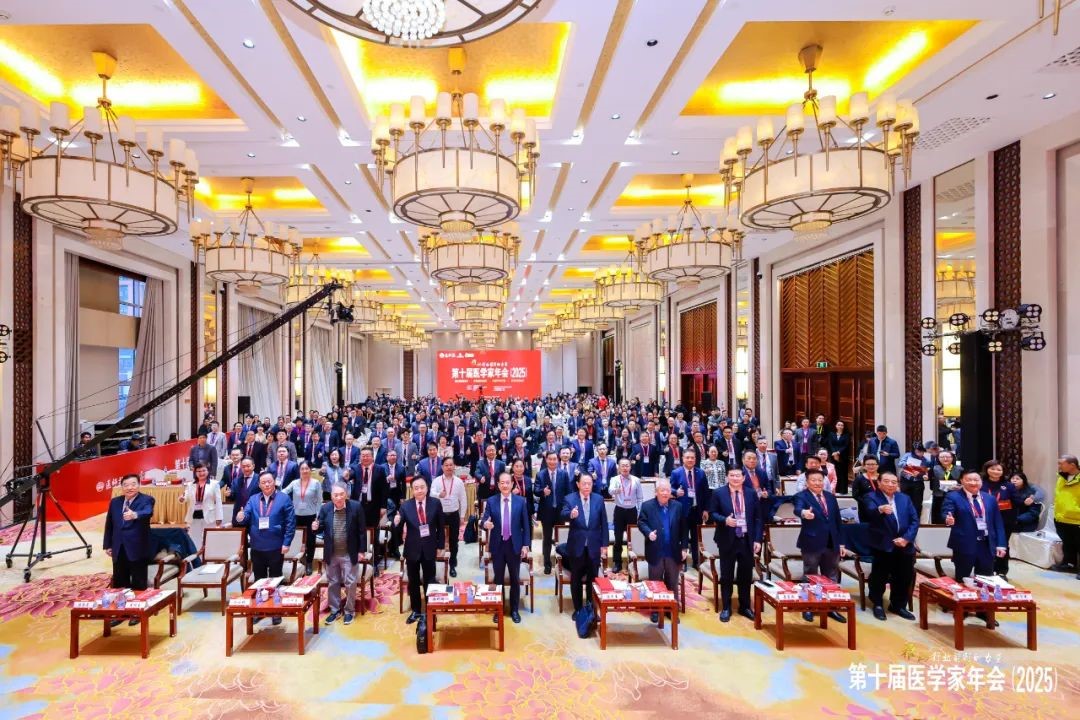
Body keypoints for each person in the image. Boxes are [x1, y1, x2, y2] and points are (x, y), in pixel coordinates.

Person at [236, 473, 297, 626]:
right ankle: (260, 610)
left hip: (276, 545)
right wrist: (241, 517)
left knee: (276, 579)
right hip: (257, 545)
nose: (267, 485)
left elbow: (290, 523)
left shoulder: (284, 498)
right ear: (259, 485)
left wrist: (287, 542)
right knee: (259, 580)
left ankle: (276, 611)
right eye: (263, 482)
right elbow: (246, 516)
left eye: (269, 482)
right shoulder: (253, 499)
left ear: (274, 482)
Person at [708, 468, 762, 622]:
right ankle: (726, 607)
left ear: (743, 478)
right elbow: (712, 513)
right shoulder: (718, 493)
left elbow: (758, 518)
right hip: (727, 539)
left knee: (745, 575)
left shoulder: (751, 493)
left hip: (746, 539)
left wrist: (757, 539)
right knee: (727, 575)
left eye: (738, 475)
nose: (735, 478)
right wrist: (725, 520)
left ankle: (745, 606)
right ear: (727, 477)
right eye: (731, 475)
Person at [793, 469, 847, 623]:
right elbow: (798, 509)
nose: (817, 483)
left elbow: (837, 521)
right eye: (813, 480)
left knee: (831, 576)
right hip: (812, 543)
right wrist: (804, 513)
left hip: (832, 542)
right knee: (810, 575)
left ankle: (831, 607)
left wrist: (841, 543)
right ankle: (808, 607)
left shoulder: (830, 497)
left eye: (820, 480)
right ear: (807, 482)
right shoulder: (801, 496)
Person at [863, 473, 918, 621]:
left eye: (894, 482)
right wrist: (880, 509)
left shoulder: (904, 498)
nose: (890, 484)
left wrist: (906, 539)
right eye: (886, 481)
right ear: (879, 483)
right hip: (883, 544)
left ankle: (898, 605)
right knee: (879, 576)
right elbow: (869, 511)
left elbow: (914, 520)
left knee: (904, 576)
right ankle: (877, 604)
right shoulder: (871, 497)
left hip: (904, 544)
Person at [103, 474, 155, 625]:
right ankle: (121, 613)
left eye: (133, 484)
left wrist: (135, 515)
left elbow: (148, 512)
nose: (130, 488)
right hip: (119, 547)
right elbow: (109, 524)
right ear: (122, 487)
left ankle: (137, 613)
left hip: (138, 547)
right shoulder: (115, 502)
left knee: (138, 582)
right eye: (126, 485)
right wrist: (108, 545)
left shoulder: (146, 500)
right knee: (120, 582)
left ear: (138, 485)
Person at [312, 483, 366, 625]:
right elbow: (320, 528)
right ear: (331, 496)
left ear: (346, 494)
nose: (339, 498)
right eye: (336, 495)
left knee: (350, 582)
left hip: (349, 552)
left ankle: (349, 611)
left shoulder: (356, 507)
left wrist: (361, 551)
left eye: (341, 494)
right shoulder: (326, 508)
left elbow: (362, 531)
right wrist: (315, 527)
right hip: (332, 553)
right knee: (333, 582)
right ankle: (335, 610)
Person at [480, 472, 530, 623]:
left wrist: (526, 545)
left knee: (515, 579)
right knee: (498, 579)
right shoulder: (491, 501)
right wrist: (485, 524)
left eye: (507, 482)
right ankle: (499, 609)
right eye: (502, 482)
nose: (505, 485)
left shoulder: (521, 501)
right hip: (498, 545)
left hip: (515, 545)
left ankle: (514, 610)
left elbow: (526, 525)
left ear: (512, 484)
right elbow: (483, 520)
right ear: (498, 484)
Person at [637, 478, 688, 623]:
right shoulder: (647, 506)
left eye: (668, 490)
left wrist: (684, 547)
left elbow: (684, 528)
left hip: (673, 551)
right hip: (655, 550)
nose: (665, 493)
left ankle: (671, 610)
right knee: (655, 582)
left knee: (672, 583)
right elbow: (641, 522)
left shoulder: (677, 506)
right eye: (662, 490)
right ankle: (655, 610)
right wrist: (648, 533)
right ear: (656, 492)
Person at [942, 471, 1007, 583]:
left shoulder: (990, 498)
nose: (973, 483)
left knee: (986, 580)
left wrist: (1001, 544)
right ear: (962, 481)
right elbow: (946, 512)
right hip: (964, 544)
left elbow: (998, 523)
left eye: (976, 480)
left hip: (986, 544)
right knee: (963, 579)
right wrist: (948, 519)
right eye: (969, 480)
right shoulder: (953, 496)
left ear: (981, 481)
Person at [396, 476, 444, 624]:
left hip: (430, 547)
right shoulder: (406, 506)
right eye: (416, 488)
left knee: (430, 579)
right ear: (412, 490)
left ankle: (430, 608)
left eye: (422, 487)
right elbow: (398, 528)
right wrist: (396, 523)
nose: (419, 490)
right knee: (414, 581)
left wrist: (440, 546)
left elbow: (441, 527)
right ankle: (416, 610)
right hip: (412, 549)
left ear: (427, 488)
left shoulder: (435, 503)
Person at [561, 474, 609, 620]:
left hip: (594, 546)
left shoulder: (599, 499)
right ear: (578, 484)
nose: (587, 486)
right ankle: (578, 609)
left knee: (592, 580)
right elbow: (562, 514)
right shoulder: (570, 498)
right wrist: (571, 514)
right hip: (577, 546)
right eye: (584, 483)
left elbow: (604, 523)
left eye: (589, 483)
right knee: (576, 579)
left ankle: (590, 608)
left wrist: (604, 545)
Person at [669, 448, 710, 569]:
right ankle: (682, 562)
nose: (690, 460)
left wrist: (706, 509)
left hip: (697, 510)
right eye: (687, 457)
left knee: (696, 537)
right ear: (683, 459)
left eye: (692, 458)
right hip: (682, 510)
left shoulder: (701, 473)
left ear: (695, 459)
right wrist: (676, 492)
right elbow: (670, 488)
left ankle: (696, 561)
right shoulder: (676, 473)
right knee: (682, 537)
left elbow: (706, 492)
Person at [534, 450, 571, 574]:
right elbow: (536, 490)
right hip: (546, 512)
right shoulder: (540, 474)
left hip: (560, 512)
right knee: (547, 539)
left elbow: (568, 492)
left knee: (562, 538)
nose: (552, 461)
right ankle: (547, 564)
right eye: (550, 459)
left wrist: (567, 508)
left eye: (554, 459)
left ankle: (562, 562)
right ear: (546, 460)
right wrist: (542, 492)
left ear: (558, 460)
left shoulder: (564, 474)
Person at [282, 461, 322, 573]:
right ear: (299, 471)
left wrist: (317, 517)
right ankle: (298, 559)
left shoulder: (316, 483)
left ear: (310, 470)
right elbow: (284, 492)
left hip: (311, 516)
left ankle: (309, 562)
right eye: (302, 469)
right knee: (296, 539)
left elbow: (319, 501)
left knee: (310, 541)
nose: (304, 471)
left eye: (306, 468)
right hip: (296, 516)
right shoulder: (294, 483)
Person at [431, 456, 467, 577]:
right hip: (440, 515)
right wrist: (438, 495)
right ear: (442, 467)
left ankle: (452, 565)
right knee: (439, 539)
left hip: (453, 514)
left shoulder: (459, 482)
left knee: (453, 541)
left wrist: (462, 516)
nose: (449, 467)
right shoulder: (436, 481)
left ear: (454, 466)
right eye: (446, 465)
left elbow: (463, 499)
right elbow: (431, 494)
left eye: (451, 465)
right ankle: (439, 563)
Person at [979, 459, 1015, 578]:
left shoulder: (1008, 485)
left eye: (999, 469)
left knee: (1002, 544)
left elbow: (1016, 501)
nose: (995, 471)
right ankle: (986, 569)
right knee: (985, 543)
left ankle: (1001, 571)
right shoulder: (981, 484)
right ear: (986, 469)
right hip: (984, 518)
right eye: (992, 469)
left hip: (1005, 520)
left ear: (1003, 471)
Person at [608, 458, 643, 574]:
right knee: (618, 538)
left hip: (632, 511)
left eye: (627, 465)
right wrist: (615, 490)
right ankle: (617, 562)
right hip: (619, 511)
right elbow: (610, 491)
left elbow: (640, 498)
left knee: (631, 539)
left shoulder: (636, 480)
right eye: (622, 466)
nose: (625, 468)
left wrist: (639, 512)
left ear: (630, 467)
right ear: (619, 467)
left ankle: (631, 561)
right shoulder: (614, 479)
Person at [179, 462, 223, 546]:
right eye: (199, 471)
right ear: (195, 473)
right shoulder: (190, 485)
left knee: (209, 539)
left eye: (203, 470)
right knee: (194, 538)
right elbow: (185, 496)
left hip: (209, 515)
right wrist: (182, 499)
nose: (201, 473)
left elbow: (218, 502)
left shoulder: (214, 484)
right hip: (194, 514)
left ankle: (209, 554)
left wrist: (219, 517)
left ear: (208, 471)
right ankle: (197, 554)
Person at [226, 457, 260, 526]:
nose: (246, 469)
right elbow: (233, 497)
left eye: (248, 466)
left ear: (253, 466)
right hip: (238, 517)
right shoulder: (236, 480)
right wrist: (229, 494)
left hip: (255, 516)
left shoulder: (260, 479)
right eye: (243, 467)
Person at [930, 451, 962, 524]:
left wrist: (960, 487)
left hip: (955, 496)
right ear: (938, 458)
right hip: (939, 496)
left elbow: (963, 483)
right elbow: (931, 486)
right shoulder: (933, 469)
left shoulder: (960, 469)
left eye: (948, 457)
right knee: (937, 517)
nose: (945, 459)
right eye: (942, 457)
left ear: (952, 458)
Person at [474, 443, 506, 510]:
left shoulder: (501, 464)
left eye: (492, 450)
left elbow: (503, 477)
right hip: (484, 492)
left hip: (497, 492)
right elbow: (477, 472)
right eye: (489, 450)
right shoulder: (480, 463)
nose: (491, 452)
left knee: (497, 512)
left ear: (496, 451)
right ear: (485, 452)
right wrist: (480, 477)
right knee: (484, 513)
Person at [851, 456, 881, 522]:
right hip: (865, 509)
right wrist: (867, 502)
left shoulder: (882, 478)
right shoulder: (859, 478)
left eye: (873, 464)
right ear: (864, 466)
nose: (871, 466)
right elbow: (855, 495)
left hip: (882, 508)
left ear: (877, 465)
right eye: (868, 464)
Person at [825, 420, 851, 493]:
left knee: (843, 473)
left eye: (842, 425)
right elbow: (830, 444)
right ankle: (835, 489)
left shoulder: (846, 435)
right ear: (836, 426)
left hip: (843, 456)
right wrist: (834, 453)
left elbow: (846, 445)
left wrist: (838, 452)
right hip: (833, 455)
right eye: (838, 425)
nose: (840, 426)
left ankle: (843, 490)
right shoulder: (831, 434)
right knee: (835, 472)